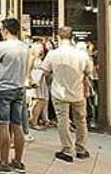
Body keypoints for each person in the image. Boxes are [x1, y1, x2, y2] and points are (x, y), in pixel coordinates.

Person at [0, 18, 29, 174]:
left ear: (5, 30)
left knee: (3, 126)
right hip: (19, 88)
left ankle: (4, 162)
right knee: (17, 126)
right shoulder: (25, 47)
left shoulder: (1, 46)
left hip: (3, 89)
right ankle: (17, 161)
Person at [42, 27, 94, 163]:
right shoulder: (81, 54)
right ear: (72, 37)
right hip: (78, 91)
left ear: (58, 37)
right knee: (81, 120)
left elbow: (46, 71)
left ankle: (67, 149)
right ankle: (81, 148)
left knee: (63, 120)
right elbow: (88, 71)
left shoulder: (53, 54)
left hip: (59, 92)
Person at [27, 38, 51, 130]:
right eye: (38, 48)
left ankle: (36, 120)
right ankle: (34, 121)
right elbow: (28, 70)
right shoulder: (32, 58)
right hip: (36, 80)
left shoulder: (39, 58)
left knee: (41, 100)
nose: (40, 50)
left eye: (41, 48)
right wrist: (29, 79)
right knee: (38, 100)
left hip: (40, 80)